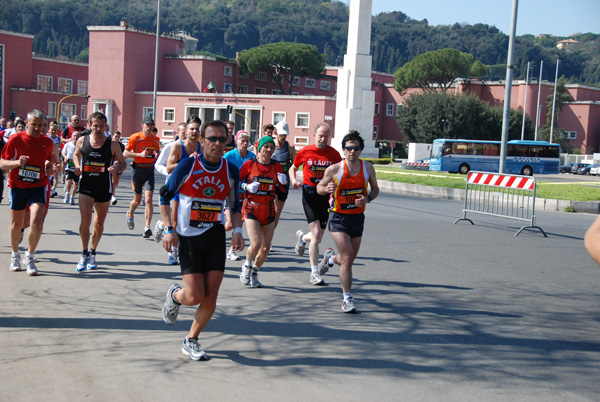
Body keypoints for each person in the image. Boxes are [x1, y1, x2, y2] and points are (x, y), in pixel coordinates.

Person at [160, 119, 244, 361]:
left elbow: (235, 204)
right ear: (202, 141)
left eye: (222, 139)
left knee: (211, 296)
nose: (217, 144)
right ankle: (175, 295)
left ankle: (191, 339)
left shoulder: (230, 170)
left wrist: (237, 230)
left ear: (227, 141)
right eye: (212, 139)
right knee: (194, 296)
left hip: (214, 236)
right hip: (188, 239)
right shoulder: (187, 165)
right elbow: (164, 196)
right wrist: (168, 229)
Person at [316, 131, 379, 313]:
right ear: (343, 150)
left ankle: (329, 259)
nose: (352, 151)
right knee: (348, 256)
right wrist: (326, 188)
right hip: (338, 217)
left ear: (360, 150)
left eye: (356, 148)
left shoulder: (368, 168)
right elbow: (319, 187)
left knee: (347, 260)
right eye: (349, 148)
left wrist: (367, 199)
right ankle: (347, 299)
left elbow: (375, 190)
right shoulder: (335, 169)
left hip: (357, 217)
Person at [0, 109, 59, 275]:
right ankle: (15, 255)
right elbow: (2, 163)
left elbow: (48, 162)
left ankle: (30, 255)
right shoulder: (16, 139)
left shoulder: (47, 142)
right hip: (18, 186)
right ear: (27, 123)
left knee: (37, 221)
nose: (38, 128)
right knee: (16, 224)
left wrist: (51, 168)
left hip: (37, 185)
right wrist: (18, 163)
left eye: (41, 125)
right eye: (34, 124)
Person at [72, 112, 126, 272]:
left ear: (106, 126)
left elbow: (123, 163)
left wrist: (116, 168)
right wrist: (77, 166)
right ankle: (84, 252)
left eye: (101, 125)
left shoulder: (112, 144)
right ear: (89, 125)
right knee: (85, 221)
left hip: (104, 187)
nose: (98, 128)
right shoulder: (82, 140)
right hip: (86, 186)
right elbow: (75, 155)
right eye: (95, 125)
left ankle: (93, 252)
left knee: (98, 223)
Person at [289, 122, 342, 285]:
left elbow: (341, 175)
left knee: (316, 237)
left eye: (326, 136)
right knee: (317, 235)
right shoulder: (306, 151)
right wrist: (293, 180)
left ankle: (303, 239)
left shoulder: (334, 154)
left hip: (326, 198)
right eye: (320, 135)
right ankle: (314, 272)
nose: (323, 138)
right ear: (314, 135)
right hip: (310, 195)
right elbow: (293, 167)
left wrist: (336, 186)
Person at [238, 136, 286, 287]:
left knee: (266, 247)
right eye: (266, 147)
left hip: (268, 208)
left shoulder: (276, 166)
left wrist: (284, 182)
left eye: (272, 147)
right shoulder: (250, 164)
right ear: (259, 149)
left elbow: (281, 187)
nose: (269, 150)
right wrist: (246, 187)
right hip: (252, 207)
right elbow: (237, 182)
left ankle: (255, 271)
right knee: (256, 243)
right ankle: (246, 266)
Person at [155, 117, 201, 264]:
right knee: (175, 221)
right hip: (177, 187)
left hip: (193, 189)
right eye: (192, 129)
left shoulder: (202, 146)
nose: (194, 131)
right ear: (186, 131)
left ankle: (185, 246)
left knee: (189, 221)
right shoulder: (177, 146)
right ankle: (173, 251)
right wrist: (188, 162)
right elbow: (168, 167)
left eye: (197, 129)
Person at [123, 116, 160, 237]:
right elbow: (125, 153)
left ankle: (147, 227)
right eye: (147, 125)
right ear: (142, 125)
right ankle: (130, 214)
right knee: (137, 201)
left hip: (149, 171)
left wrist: (157, 156)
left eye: (151, 125)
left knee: (149, 199)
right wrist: (139, 154)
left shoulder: (156, 139)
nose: (149, 128)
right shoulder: (135, 137)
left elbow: (157, 153)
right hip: (138, 170)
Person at [223, 130, 255, 261]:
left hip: (245, 194)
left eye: (247, 141)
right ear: (237, 141)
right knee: (229, 224)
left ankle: (231, 250)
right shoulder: (229, 155)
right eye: (242, 141)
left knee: (238, 224)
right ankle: (211, 233)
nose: (245, 143)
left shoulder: (252, 156)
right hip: (229, 193)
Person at [271, 121, 296, 231]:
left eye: (285, 135)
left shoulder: (290, 147)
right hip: (271, 182)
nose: (283, 137)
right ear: (276, 133)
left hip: (284, 182)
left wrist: (292, 179)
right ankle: (267, 236)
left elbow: (294, 166)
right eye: (281, 135)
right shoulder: (270, 145)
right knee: (274, 209)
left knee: (278, 213)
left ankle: (269, 236)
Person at [62, 131, 80, 205]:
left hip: (77, 167)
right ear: (72, 137)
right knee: (69, 182)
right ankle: (67, 194)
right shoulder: (68, 145)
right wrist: (65, 157)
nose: (76, 137)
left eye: (77, 136)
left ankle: (72, 197)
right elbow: (63, 152)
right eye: (74, 136)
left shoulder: (80, 146)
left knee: (76, 184)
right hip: (69, 166)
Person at [110, 130, 125, 205]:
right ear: (112, 136)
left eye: (118, 137)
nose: (117, 138)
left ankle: (112, 191)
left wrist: (118, 161)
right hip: (110, 164)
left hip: (118, 164)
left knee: (116, 182)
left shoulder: (121, 146)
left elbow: (123, 156)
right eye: (116, 137)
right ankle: (113, 196)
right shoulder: (109, 144)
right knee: (113, 180)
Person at [46, 122, 61, 197]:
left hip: (55, 158)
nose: (53, 131)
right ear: (49, 130)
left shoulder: (58, 138)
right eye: (52, 130)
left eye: (55, 130)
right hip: (48, 158)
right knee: (48, 173)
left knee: (55, 174)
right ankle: (47, 187)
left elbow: (59, 147)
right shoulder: (47, 137)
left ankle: (53, 189)